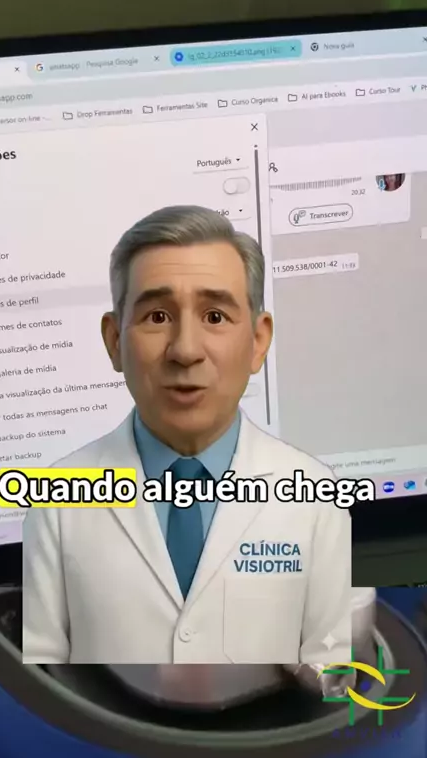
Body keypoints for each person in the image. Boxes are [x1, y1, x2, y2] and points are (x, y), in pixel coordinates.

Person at [22, 205, 351, 666]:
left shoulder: (316, 497)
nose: (186, 350)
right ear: (115, 341)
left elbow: (332, 676)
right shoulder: (56, 502)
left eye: (215, 316)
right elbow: (39, 683)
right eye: (157, 317)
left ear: (258, 341)